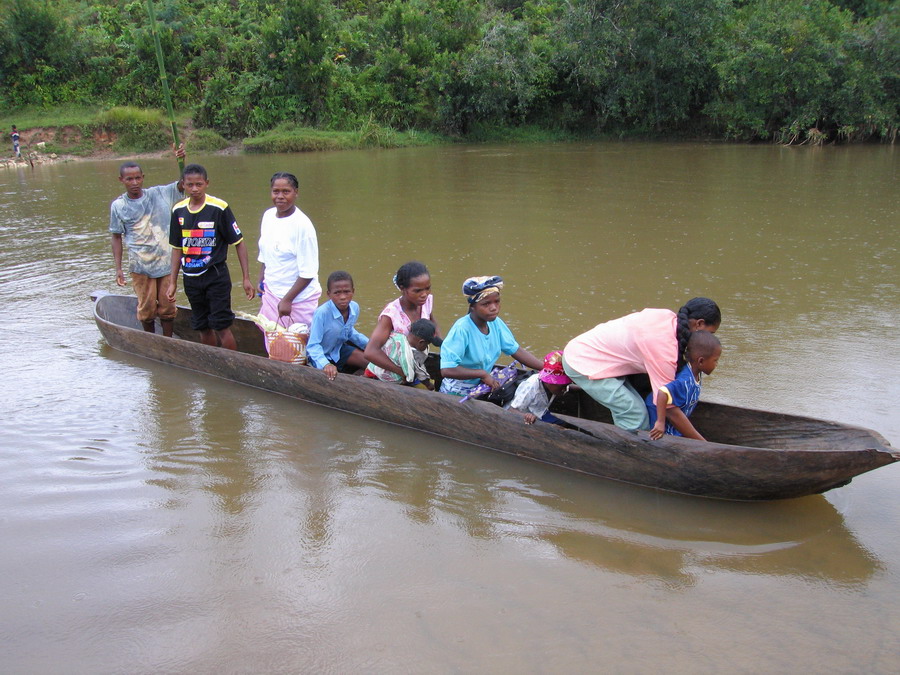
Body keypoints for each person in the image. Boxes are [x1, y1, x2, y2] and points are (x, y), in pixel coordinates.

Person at [562, 297, 721, 432]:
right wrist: (703, 444)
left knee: (642, 401)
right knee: (635, 415)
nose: (709, 339)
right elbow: (668, 407)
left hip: (602, 357)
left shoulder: (667, 317)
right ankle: (627, 455)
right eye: (711, 333)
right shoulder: (664, 348)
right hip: (583, 361)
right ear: (699, 324)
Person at [166, 163, 254, 350]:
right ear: (183, 185)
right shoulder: (178, 211)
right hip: (190, 278)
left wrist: (246, 278)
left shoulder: (219, 208)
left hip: (216, 276)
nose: (195, 189)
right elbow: (176, 248)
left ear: (207, 183)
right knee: (202, 326)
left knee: (222, 326)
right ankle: (213, 361)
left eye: (199, 184)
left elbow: (239, 243)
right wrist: (172, 282)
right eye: (190, 185)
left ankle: (232, 364)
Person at [108, 144, 187, 335]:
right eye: (129, 179)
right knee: (147, 308)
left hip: (166, 263)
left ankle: (167, 340)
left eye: (137, 178)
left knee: (168, 306)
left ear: (143, 178)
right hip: (141, 266)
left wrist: (181, 160)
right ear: (122, 180)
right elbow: (116, 237)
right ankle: (150, 339)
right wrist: (118, 268)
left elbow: (184, 183)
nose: (134, 182)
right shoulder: (119, 206)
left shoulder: (159, 193)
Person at [439, 275, 543, 397]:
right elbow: (447, 370)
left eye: (497, 302)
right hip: (456, 392)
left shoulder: (496, 323)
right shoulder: (462, 329)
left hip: (482, 386)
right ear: (472, 307)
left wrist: (546, 368)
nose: (493, 308)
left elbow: (516, 350)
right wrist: (482, 374)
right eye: (486, 304)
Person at [256, 172, 321, 339]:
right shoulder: (268, 216)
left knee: (298, 345)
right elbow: (266, 252)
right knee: (274, 341)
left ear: (296, 193)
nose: (280, 197)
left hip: (298, 299)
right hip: (272, 293)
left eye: (286, 191)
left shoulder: (302, 226)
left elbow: (308, 273)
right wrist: (261, 279)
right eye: (275, 191)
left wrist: (287, 300)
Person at [363, 261, 442, 380]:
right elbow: (370, 352)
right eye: (417, 291)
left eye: (427, 288)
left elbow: (432, 324)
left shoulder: (426, 302)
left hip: (412, 364)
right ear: (402, 288)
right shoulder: (391, 314)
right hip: (389, 373)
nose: (424, 294)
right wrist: (402, 372)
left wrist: (442, 345)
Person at [648, 331, 721, 441]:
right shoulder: (685, 380)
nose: (716, 364)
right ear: (701, 361)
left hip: (675, 429)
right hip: (663, 431)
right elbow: (662, 392)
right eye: (715, 360)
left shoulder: (696, 373)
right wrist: (660, 422)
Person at [307, 270, 369, 381]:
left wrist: (370, 345)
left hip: (339, 349)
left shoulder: (354, 308)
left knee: (372, 364)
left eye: (347, 292)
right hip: (321, 355)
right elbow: (313, 345)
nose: (343, 297)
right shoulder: (322, 313)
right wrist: (326, 364)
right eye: (337, 293)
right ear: (329, 294)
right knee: (331, 375)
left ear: (353, 291)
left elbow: (350, 332)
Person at [506, 350, 572, 425]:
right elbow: (511, 410)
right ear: (549, 381)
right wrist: (526, 416)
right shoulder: (530, 387)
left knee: (563, 423)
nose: (565, 389)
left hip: (541, 411)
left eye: (567, 385)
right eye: (562, 386)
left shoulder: (552, 386)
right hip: (528, 415)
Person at [407, 319, 438, 390]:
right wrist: (428, 385)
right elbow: (420, 373)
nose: (426, 347)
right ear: (421, 342)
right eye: (427, 344)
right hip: (406, 381)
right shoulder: (415, 354)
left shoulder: (402, 338)